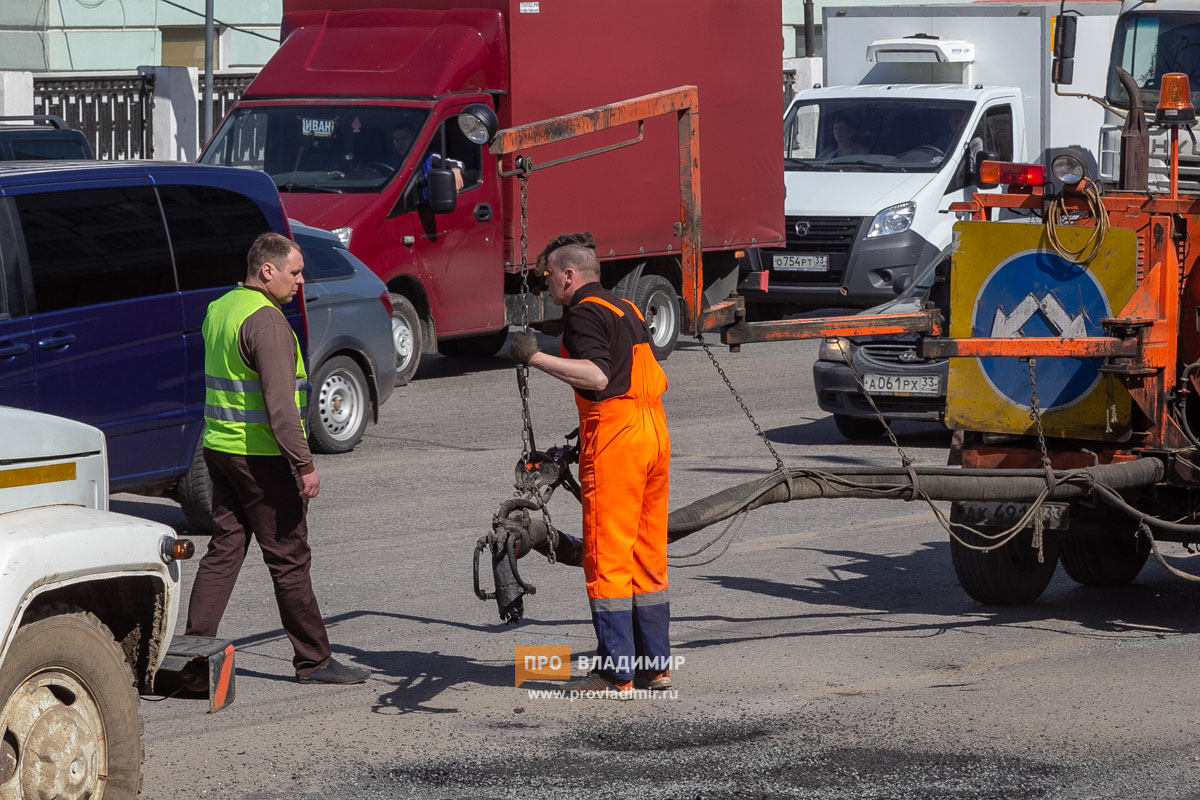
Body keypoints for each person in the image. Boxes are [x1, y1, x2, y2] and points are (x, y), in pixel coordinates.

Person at [186, 232, 370, 686]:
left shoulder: (221, 308)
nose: (301, 281)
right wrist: (304, 465)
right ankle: (314, 661)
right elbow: (281, 408)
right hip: (262, 458)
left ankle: (191, 654)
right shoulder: (267, 322)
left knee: (224, 550)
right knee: (289, 559)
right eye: (295, 272)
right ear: (267, 271)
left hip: (221, 449)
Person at [509, 234, 673, 698]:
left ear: (568, 274)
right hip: (653, 435)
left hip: (619, 444)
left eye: (548, 277)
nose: (547, 287)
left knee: (608, 558)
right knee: (647, 553)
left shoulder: (582, 311)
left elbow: (599, 375)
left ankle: (616, 672)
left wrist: (533, 357)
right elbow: (637, 375)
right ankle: (654, 667)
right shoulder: (628, 308)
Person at [392, 124, 464, 191]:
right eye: (396, 140)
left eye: (403, 139)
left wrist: (455, 170)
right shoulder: (391, 162)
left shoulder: (429, 158)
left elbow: (457, 163)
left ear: (413, 139)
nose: (400, 144)